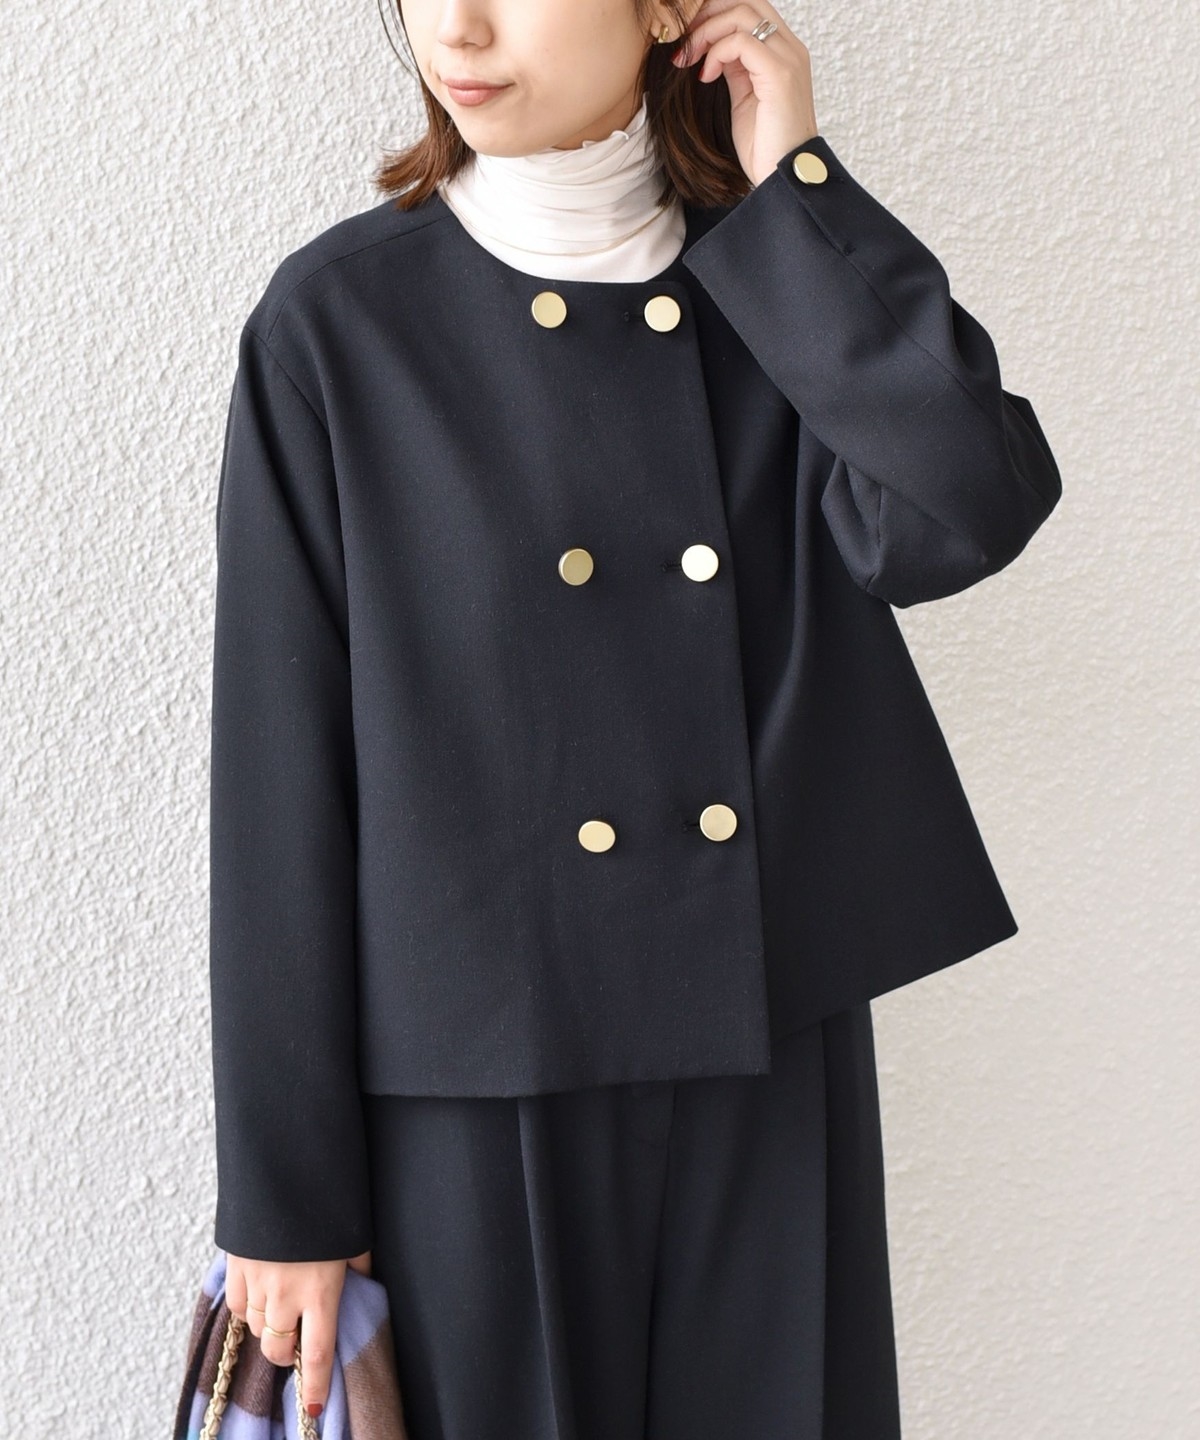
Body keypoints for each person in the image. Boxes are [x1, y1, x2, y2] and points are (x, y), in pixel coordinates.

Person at [206, 1, 1062, 1435]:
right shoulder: (339, 326)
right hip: (474, 1089)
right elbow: (278, 784)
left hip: (764, 1042)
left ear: (667, 7)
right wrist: (288, 1198)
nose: (458, 28)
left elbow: (964, 509)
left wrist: (796, 192)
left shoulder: (775, 283)